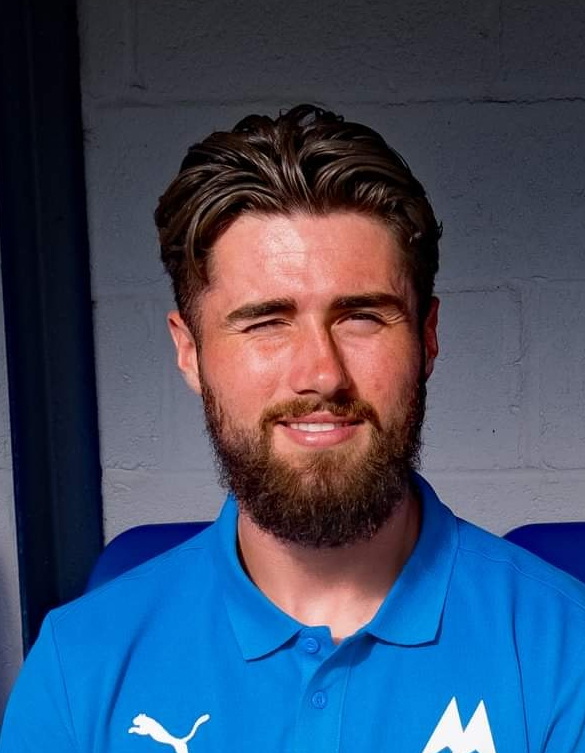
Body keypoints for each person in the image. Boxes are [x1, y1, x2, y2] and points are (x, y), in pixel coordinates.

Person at [1, 105, 585, 753]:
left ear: (427, 337)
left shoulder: (567, 654)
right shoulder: (77, 667)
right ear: (190, 351)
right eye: (266, 322)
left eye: (361, 317)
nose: (321, 374)